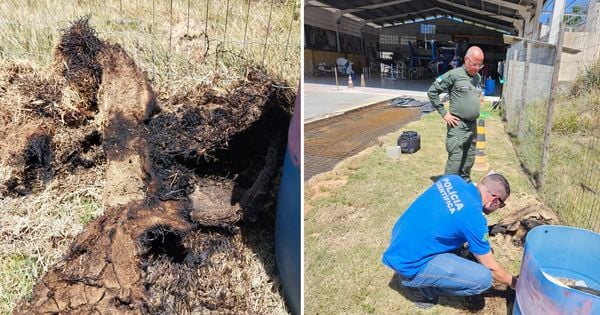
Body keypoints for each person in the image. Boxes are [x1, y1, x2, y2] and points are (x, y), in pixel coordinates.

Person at [382, 173, 517, 308]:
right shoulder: (474, 218)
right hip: (409, 263)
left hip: (400, 240)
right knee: (484, 279)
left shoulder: (452, 179)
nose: (498, 209)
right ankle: (419, 289)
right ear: (494, 200)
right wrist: (516, 284)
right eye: (501, 205)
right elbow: (492, 268)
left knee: (464, 245)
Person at [427, 46, 485, 182]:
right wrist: (444, 113)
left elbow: (474, 90)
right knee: (455, 160)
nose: (477, 68)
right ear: (466, 59)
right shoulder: (453, 75)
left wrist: (479, 95)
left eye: (480, 65)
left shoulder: (477, 77)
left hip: (472, 126)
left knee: (469, 158)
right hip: (458, 125)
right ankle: (448, 187)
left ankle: (464, 184)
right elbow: (432, 92)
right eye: (474, 64)